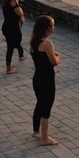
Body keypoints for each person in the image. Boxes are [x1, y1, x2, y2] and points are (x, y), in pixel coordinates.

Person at [30, 15, 60, 146]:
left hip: (37, 78)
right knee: (46, 107)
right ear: (47, 29)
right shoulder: (47, 44)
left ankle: (36, 130)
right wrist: (58, 58)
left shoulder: (33, 41)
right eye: (52, 26)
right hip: (47, 79)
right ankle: (45, 137)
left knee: (40, 103)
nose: (54, 28)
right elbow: (54, 61)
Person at [1, 0, 25, 74]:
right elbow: (21, 16)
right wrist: (18, 4)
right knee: (10, 48)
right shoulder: (15, 5)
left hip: (6, 26)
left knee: (11, 45)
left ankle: (20, 56)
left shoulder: (5, 3)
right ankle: (8, 68)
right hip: (13, 28)